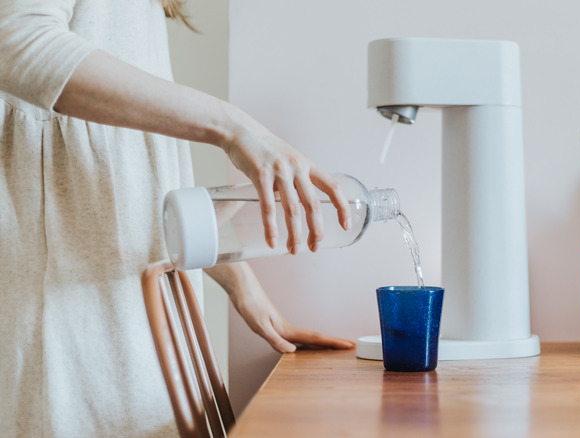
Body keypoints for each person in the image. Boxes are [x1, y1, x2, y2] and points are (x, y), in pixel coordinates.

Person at [0, 0, 355, 436]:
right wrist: (233, 127)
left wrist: (237, 280)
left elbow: (130, 165)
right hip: (66, 316)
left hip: (125, 318)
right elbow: (14, 39)